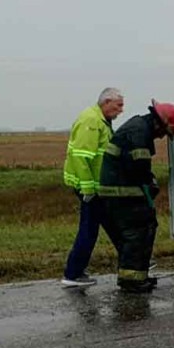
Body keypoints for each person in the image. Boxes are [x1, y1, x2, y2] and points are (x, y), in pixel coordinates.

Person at [100, 100, 174, 293]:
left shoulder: (140, 128)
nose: (162, 136)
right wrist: (150, 182)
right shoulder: (140, 133)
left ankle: (137, 276)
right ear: (159, 124)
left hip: (121, 193)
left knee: (143, 230)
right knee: (137, 233)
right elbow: (140, 167)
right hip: (123, 195)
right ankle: (132, 280)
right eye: (164, 132)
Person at [61, 87, 124, 288]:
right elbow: (81, 157)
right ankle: (73, 273)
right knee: (89, 231)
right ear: (106, 102)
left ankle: (133, 261)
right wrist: (88, 190)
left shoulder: (101, 121)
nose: (121, 110)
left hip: (98, 188)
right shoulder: (91, 122)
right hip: (90, 189)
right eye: (118, 105)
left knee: (113, 225)